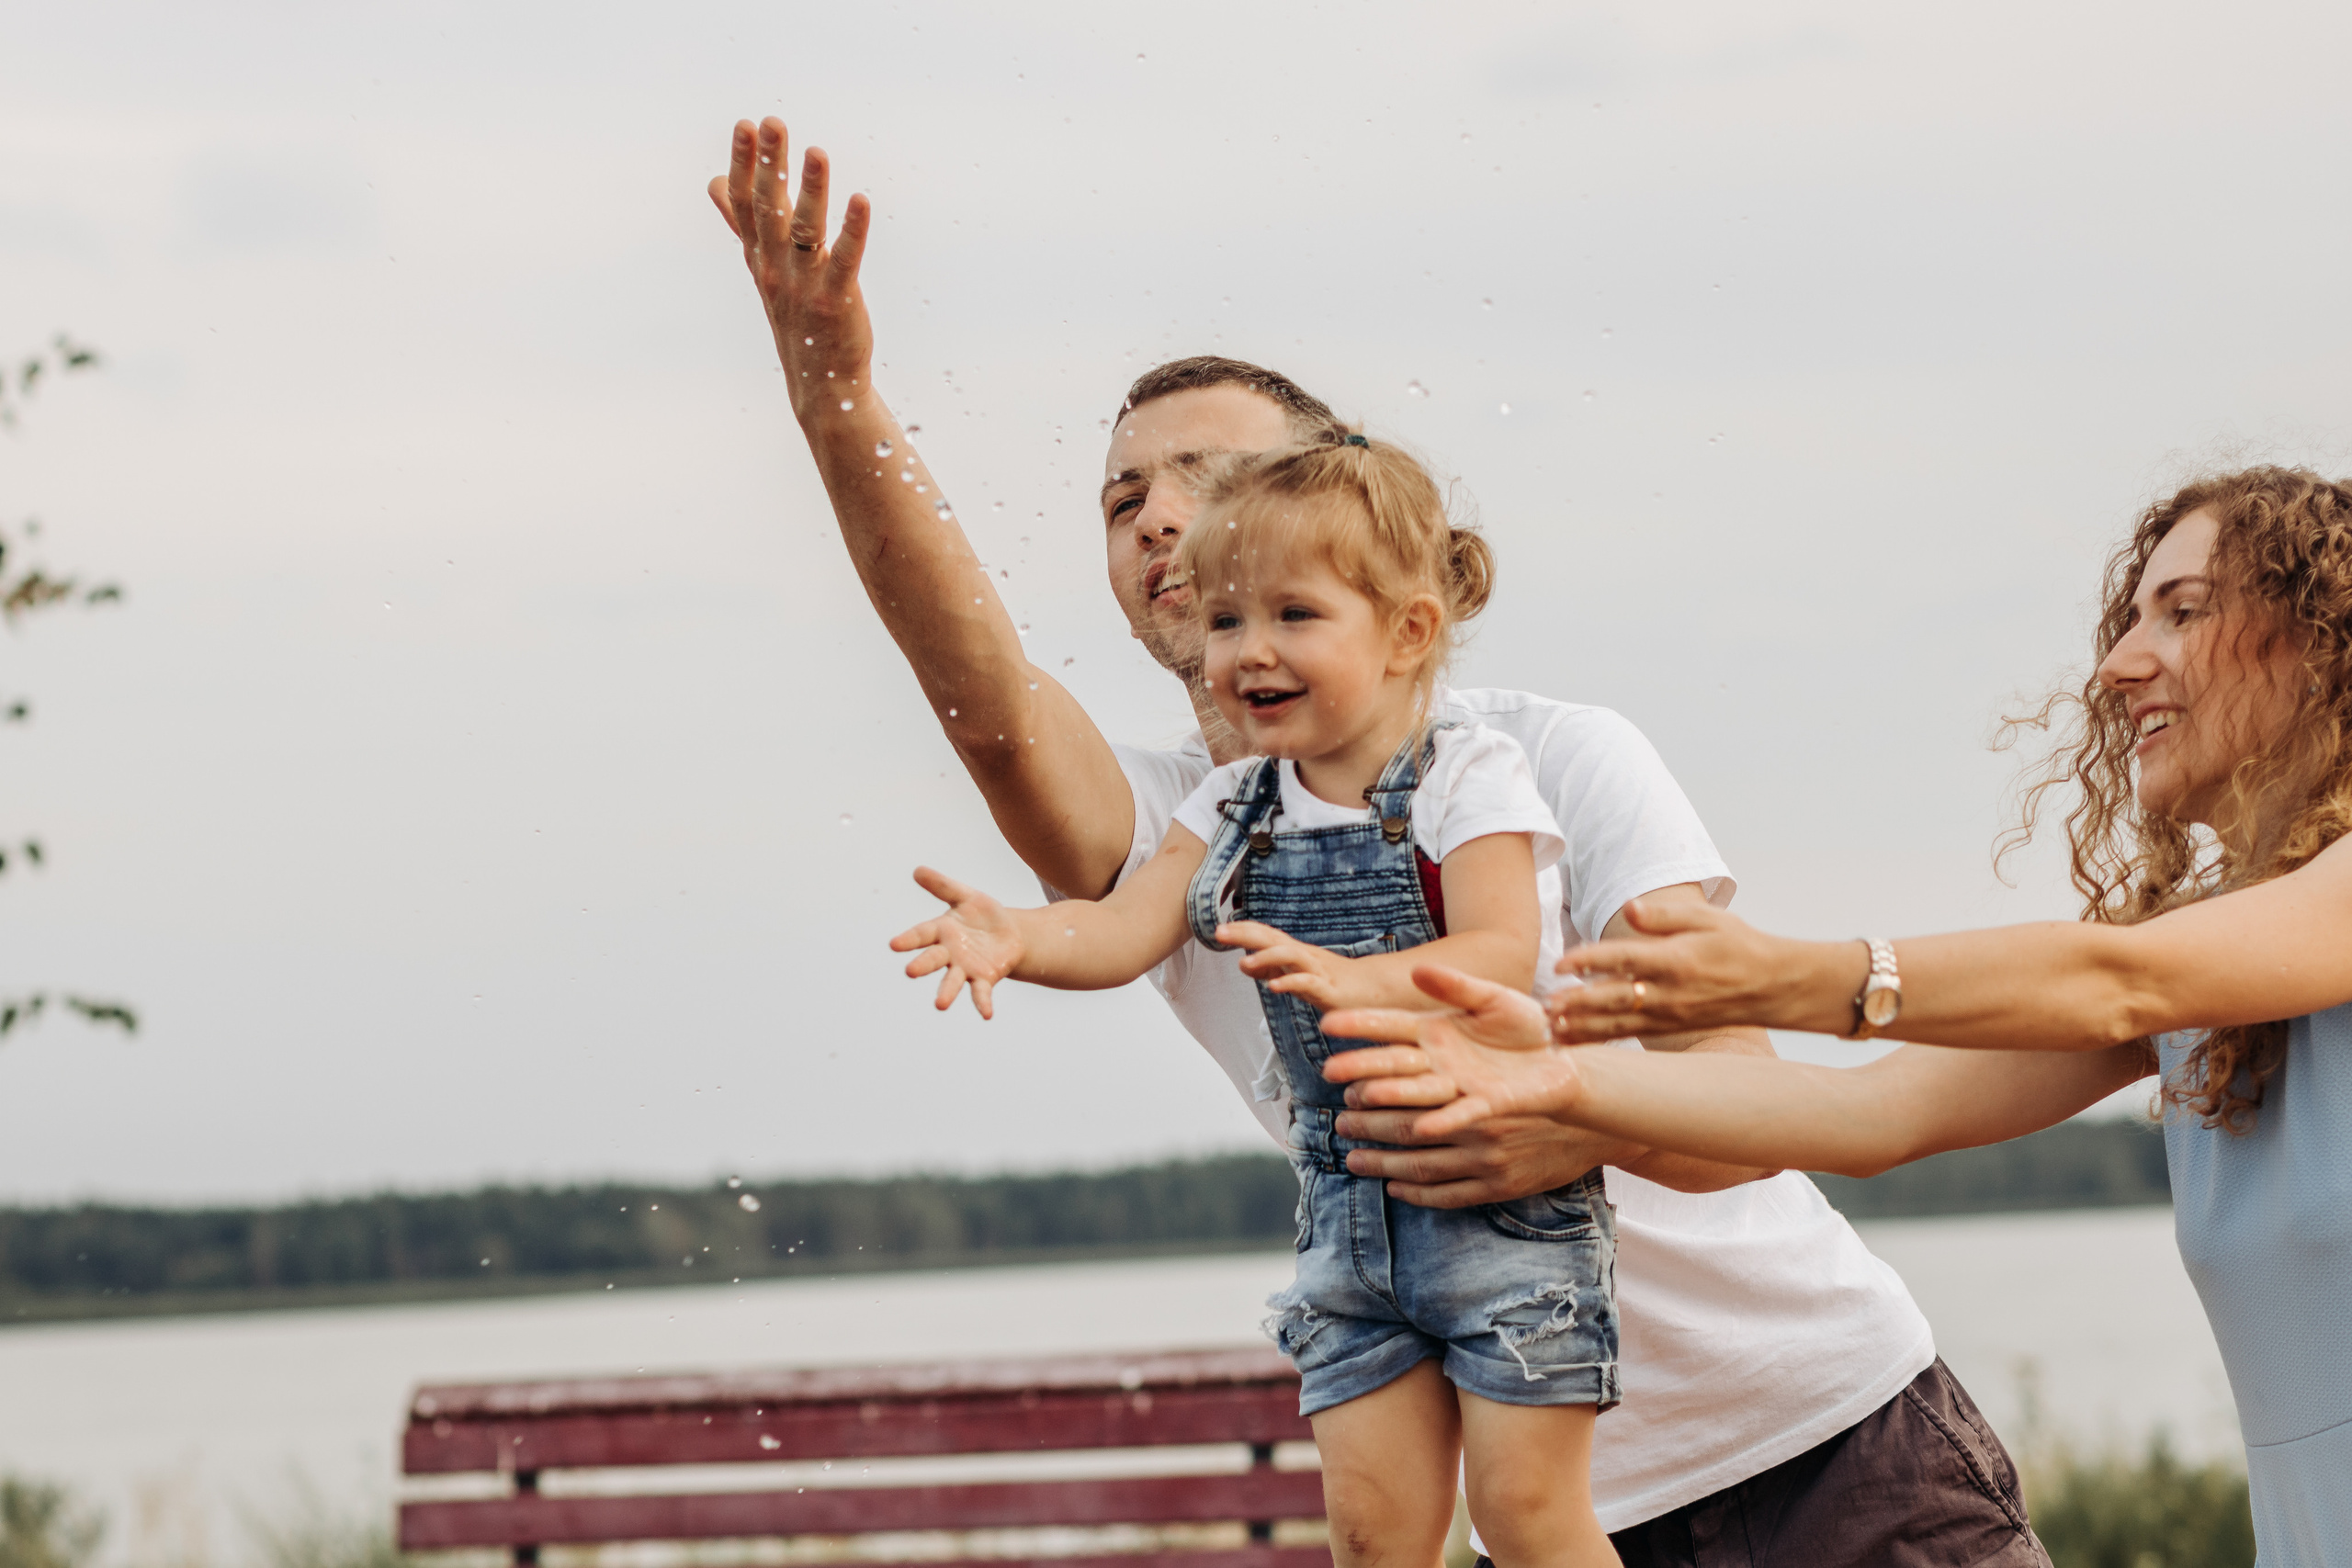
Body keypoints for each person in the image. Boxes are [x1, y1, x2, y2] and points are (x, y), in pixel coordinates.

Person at [708, 117, 2051, 1567]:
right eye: (1120, 499)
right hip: (1547, 1522)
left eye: (1210, 477)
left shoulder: (1545, 762)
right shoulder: (1190, 830)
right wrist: (837, 395)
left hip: (1830, 1447)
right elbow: (988, 713)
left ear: (1357, 523)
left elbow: (1732, 1117)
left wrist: (1531, 1088)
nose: (1160, 514)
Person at [1319, 468, 2352, 1562]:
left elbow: (2113, 976)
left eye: (2182, 613)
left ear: (2324, 639)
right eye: (2131, 617)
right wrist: (1567, 1085)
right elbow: (1872, 1118)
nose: (2117, 663)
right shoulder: (2208, 988)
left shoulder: (2175, 973)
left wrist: (1789, 977)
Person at [894, 434, 1622, 1567]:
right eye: (1227, 621)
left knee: (1530, 1516)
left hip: (1504, 1215)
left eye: (1293, 616)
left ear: (1407, 632)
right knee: (1372, 1534)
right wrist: (1022, 937)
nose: (1249, 651)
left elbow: (1495, 950)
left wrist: (1364, 982)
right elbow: (1127, 928)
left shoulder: (1469, 777)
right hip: (1346, 1214)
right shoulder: (1236, 801)